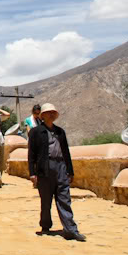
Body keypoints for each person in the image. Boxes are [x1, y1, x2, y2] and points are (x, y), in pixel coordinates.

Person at [28, 103, 86, 242]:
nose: (51, 115)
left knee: (64, 199)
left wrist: (70, 170)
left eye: (53, 112)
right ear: (42, 115)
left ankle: (70, 229)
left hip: (61, 167)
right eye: (48, 112)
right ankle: (45, 225)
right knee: (46, 200)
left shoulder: (60, 132)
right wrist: (32, 173)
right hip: (45, 168)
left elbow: (66, 152)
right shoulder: (36, 132)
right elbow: (32, 154)